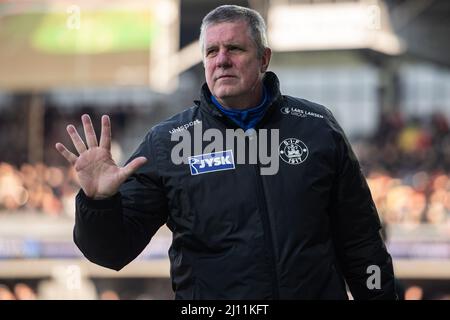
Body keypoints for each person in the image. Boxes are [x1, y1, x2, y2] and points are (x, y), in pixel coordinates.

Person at [56, 5, 397, 299]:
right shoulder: (168, 143)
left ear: (263, 58)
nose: (221, 60)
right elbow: (112, 252)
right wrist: (98, 204)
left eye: (234, 48)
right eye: (211, 51)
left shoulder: (318, 128)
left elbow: (361, 242)